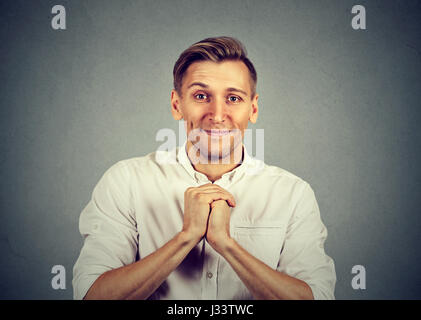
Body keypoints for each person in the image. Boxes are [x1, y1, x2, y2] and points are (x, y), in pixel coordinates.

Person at [72, 36, 336, 300]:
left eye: (233, 98)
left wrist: (227, 245)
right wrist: (186, 237)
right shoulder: (125, 182)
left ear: (253, 109)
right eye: (201, 96)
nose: (217, 115)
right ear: (177, 105)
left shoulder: (293, 194)